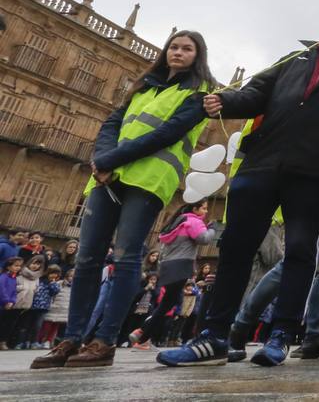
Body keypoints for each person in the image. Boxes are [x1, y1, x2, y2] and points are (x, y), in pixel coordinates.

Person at [158, 0, 319, 367]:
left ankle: (281, 335)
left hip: (315, 170)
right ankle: (214, 336)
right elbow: (256, 94)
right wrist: (226, 102)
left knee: (300, 251)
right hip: (261, 163)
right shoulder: (293, 59)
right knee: (235, 247)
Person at [32, 31, 214, 370]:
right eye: (173, 46)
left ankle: (105, 341)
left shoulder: (199, 93)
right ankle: (70, 339)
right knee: (87, 258)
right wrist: (102, 158)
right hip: (108, 177)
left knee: (127, 256)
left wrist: (110, 160)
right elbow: (111, 123)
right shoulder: (143, 86)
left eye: (187, 49)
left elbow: (167, 133)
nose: (178, 52)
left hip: (148, 179)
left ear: (197, 55)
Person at [130, 201, 219, 348]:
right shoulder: (193, 221)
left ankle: (142, 332)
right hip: (181, 265)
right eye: (203, 208)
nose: (206, 211)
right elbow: (204, 239)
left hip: (167, 265)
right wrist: (212, 229)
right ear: (194, 209)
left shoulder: (178, 221)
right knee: (168, 304)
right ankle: (142, 337)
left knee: (168, 302)